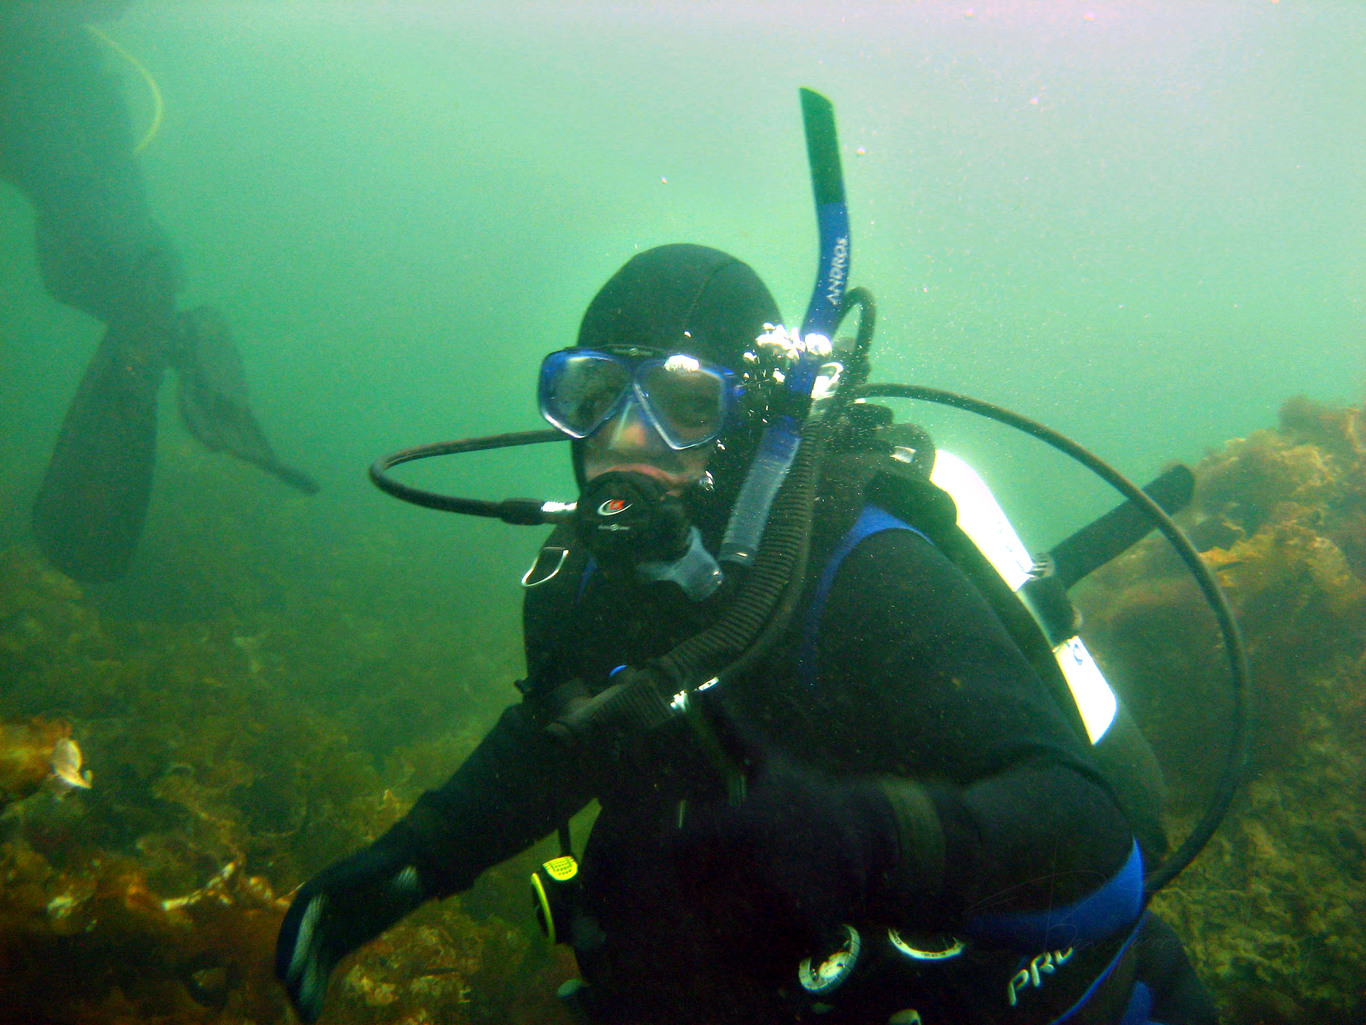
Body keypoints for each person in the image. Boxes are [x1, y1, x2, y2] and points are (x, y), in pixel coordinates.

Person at [276, 244, 1217, 1024]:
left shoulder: (866, 570)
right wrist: (418, 857)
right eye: (595, 393)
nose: (626, 436)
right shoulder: (589, 580)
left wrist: (873, 838)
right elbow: (574, 728)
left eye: (685, 402)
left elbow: (1095, 843)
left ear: (757, 421)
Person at [0, 2, 316, 583]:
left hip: (47, 75)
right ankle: (166, 332)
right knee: (134, 259)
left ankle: (159, 330)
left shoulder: (55, 66)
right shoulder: (62, 66)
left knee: (128, 260)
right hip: (56, 80)